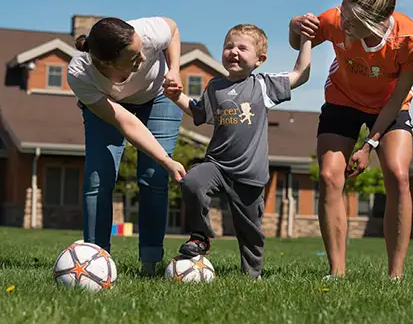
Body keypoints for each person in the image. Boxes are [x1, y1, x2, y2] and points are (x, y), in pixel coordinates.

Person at [288, 0, 413, 280]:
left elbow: (395, 101)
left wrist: (370, 146)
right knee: (329, 176)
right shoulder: (335, 19)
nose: (343, 25)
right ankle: (336, 272)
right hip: (342, 100)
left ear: (376, 21)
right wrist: (295, 27)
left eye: (352, 21)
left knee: (398, 175)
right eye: (343, 12)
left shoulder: (411, 41)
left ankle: (395, 275)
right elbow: (298, 43)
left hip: (389, 106)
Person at [163, 23, 313, 278]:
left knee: (249, 231)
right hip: (217, 165)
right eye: (229, 46)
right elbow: (198, 112)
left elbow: (301, 74)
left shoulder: (264, 86)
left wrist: (307, 39)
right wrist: (175, 96)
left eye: (242, 48)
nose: (233, 51)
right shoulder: (214, 87)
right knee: (192, 183)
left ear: (259, 59)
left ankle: (251, 276)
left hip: (249, 174)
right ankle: (200, 237)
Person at [67, 16, 187, 276]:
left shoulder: (147, 32)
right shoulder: (80, 73)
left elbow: (173, 28)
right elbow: (125, 123)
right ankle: (94, 263)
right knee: (98, 177)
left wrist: (174, 68)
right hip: (110, 104)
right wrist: (167, 160)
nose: (143, 58)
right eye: (134, 58)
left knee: (154, 176)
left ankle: (150, 263)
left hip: (157, 97)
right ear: (108, 62)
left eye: (141, 49)